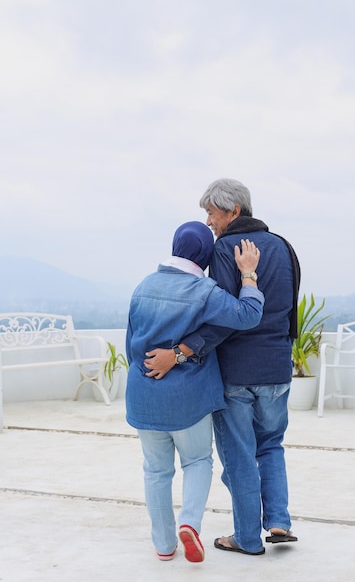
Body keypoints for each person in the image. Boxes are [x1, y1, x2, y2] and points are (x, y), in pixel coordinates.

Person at [144, 179, 301, 556]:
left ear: (233, 211)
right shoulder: (283, 245)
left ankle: (247, 538)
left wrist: (182, 352)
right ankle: (278, 521)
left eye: (212, 213)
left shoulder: (226, 249)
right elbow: (291, 312)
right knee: (271, 445)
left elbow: (226, 319)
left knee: (240, 456)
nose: (210, 221)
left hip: (237, 373)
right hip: (277, 369)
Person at [125, 220, 264, 563]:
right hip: (187, 398)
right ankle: (189, 522)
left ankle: (163, 544)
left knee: (156, 471)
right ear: (205, 255)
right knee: (198, 461)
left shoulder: (143, 286)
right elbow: (248, 315)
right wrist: (248, 275)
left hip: (144, 394)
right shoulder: (205, 291)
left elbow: (130, 345)